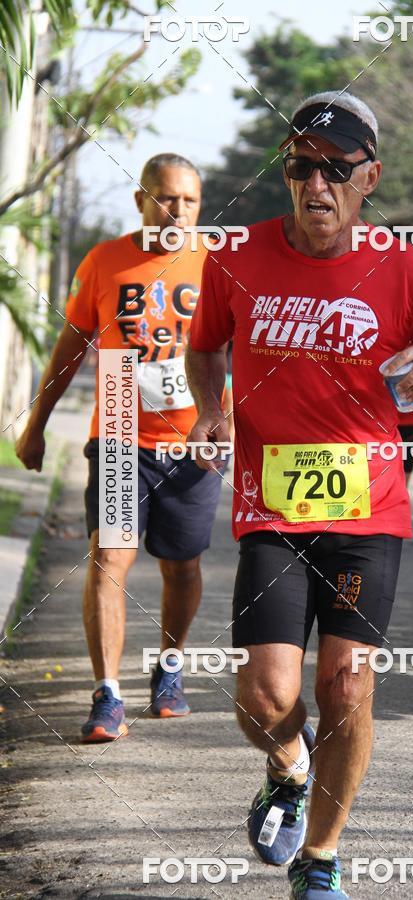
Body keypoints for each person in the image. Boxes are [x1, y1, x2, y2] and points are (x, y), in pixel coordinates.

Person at [186, 92, 413, 899]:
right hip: (272, 511)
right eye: (300, 167)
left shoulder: (407, 269)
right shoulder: (235, 257)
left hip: (367, 511)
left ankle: (320, 858)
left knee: (346, 685)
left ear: (369, 178)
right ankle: (289, 766)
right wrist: (212, 408)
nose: (315, 184)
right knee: (265, 696)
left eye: (334, 170)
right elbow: (205, 346)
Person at [16, 154, 229, 742]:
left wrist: (234, 422)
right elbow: (70, 348)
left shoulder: (216, 263)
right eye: (166, 197)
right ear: (141, 200)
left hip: (192, 440)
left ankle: (169, 668)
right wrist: (37, 424)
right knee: (110, 556)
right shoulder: (105, 261)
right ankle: (107, 693)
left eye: (189, 200)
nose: (178, 210)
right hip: (117, 430)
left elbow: (246, 351)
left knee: (182, 565)